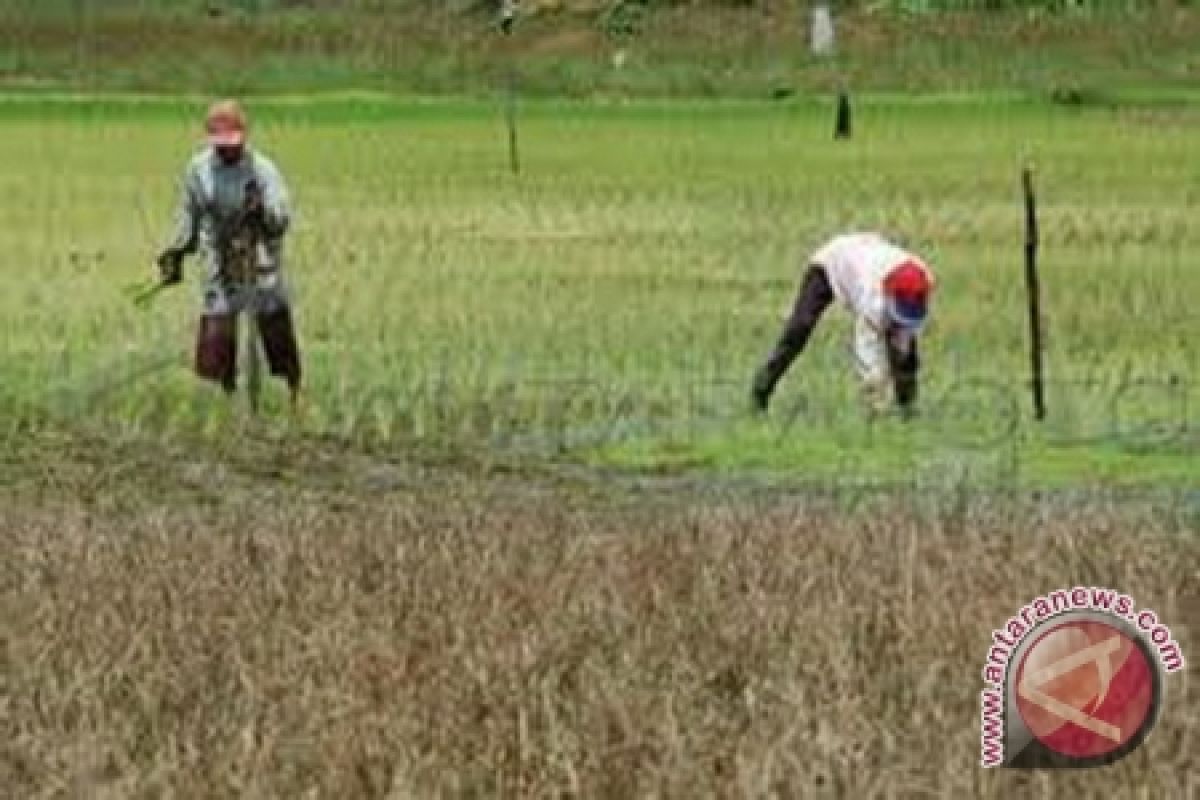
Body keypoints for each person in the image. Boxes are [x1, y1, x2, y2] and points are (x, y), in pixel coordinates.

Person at [155, 99, 302, 407]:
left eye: (232, 144)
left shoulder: (263, 170)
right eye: (221, 145)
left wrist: (262, 211)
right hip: (217, 255)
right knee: (218, 324)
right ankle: (225, 395)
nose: (227, 150)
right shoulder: (198, 170)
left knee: (272, 316)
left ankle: (292, 390)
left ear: (244, 137)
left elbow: (282, 218)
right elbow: (188, 215)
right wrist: (177, 252)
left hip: (258, 252)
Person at [750, 231, 935, 417]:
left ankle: (908, 410)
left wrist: (903, 351)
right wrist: (874, 396)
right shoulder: (872, 297)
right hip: (830, 263)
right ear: (888, 294)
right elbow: (867, 347)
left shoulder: (923, 277)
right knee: (799, 328)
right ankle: (761, 391)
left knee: (903, 349)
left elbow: (905, 334)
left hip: (867, 255)